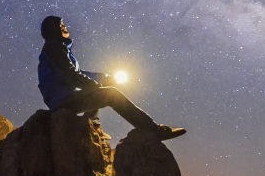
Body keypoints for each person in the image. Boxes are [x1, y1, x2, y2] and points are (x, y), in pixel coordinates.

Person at [37, 15, 186, 141]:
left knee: (97, 87)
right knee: (110, 94)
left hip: (63, 97)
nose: (65, 27)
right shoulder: (54, 48)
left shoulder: (57, 48)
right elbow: (72, 76)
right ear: (54, 30)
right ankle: (153, 130)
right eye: (61, 25)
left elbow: (77, 72)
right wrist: (97, 86)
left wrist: (104, 77)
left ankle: (92, 126)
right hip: (62, 100)